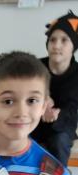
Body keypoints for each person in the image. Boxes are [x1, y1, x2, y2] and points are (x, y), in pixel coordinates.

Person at [31, 10, 78, 166]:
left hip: (62, 127)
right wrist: (43, 98)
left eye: (64, 40)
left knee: (59, 140)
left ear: (74, 46)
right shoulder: (35, 66)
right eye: (53, 40)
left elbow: (73, 110)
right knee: (22, 141)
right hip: (34, 124)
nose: (57, 45)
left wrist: (57, 113)